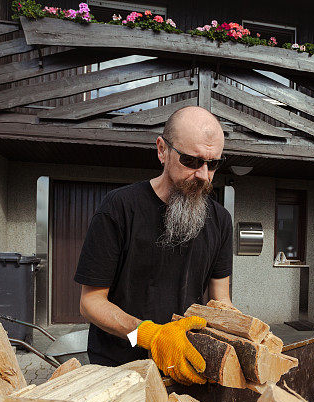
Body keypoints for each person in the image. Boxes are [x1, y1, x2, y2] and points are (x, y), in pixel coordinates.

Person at [75, 106, 234, 385]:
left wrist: (239, 329)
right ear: (162, 150)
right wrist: (150, 335)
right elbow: (90, 303)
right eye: (191, 161)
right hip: (119, 369)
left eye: (213, 164)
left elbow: (220, 300)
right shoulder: (119, 208)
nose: (204, 175)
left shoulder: (220, 220)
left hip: (183, 368)